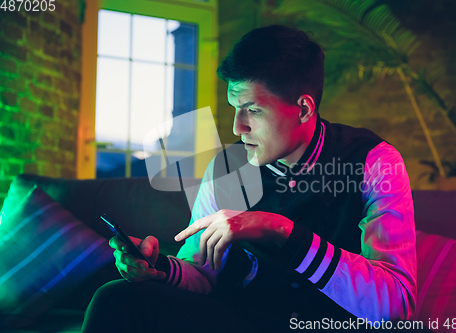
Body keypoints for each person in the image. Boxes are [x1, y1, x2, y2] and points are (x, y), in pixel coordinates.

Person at [82, 25, 422, 332]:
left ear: (303, 108)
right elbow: (202, 274)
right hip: (245, 321)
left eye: (253, 110)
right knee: (116, 297)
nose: (237, 127)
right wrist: (160, 268)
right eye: (235, 108)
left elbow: (396, 307)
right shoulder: (227, 169)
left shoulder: (374, 161)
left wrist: (282, 231)